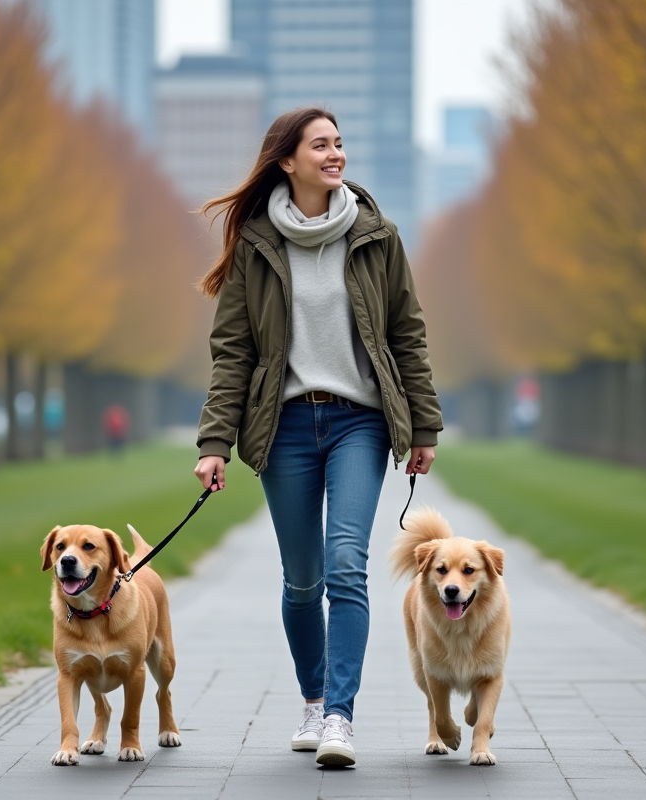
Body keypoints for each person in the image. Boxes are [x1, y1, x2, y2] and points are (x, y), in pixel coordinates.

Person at [193, 107, 443, 768]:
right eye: (321, 145)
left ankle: (339, 716)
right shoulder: (256, 243)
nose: (336, 154)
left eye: (339, 143)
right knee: (303, 581)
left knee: (345, 565)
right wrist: (213, 444)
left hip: (359, 422)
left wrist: (423, 425)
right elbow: (232, 352)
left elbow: (407, 336)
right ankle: (312, 698)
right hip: (285, 429)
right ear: (287, 160)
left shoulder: (377, 235)